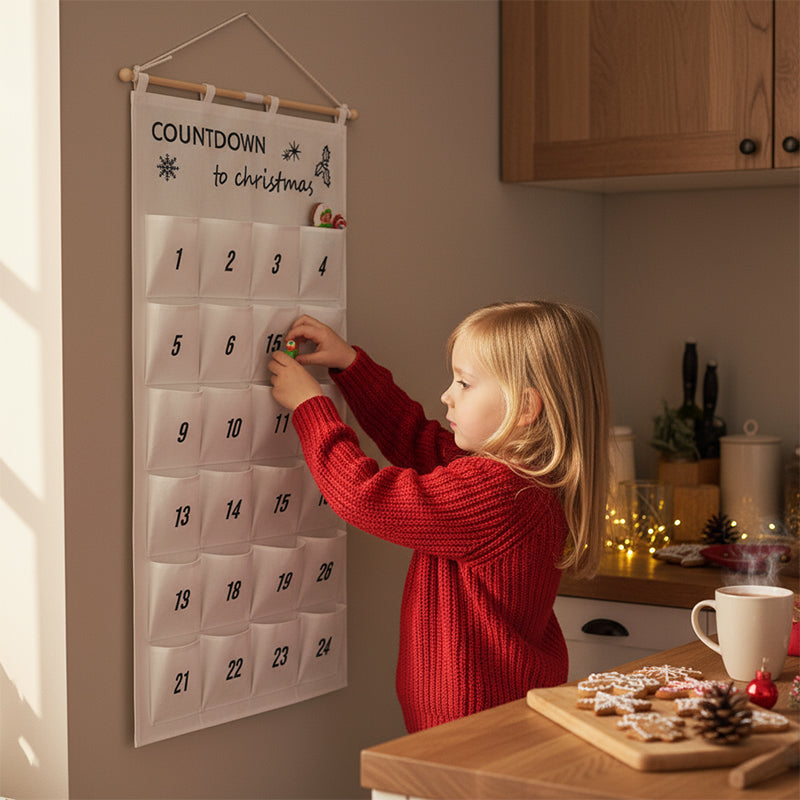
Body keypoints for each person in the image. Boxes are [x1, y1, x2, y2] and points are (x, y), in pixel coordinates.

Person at [267, 301, 610, 733]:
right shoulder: (525, 480)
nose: (447, 394)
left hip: (471, 725)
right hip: (500, 712)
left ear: (526, 408)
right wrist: (351, 366)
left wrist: (311, 407)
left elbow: (364, 497)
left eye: (464, 383)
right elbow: (417, 441)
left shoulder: (499, 493)